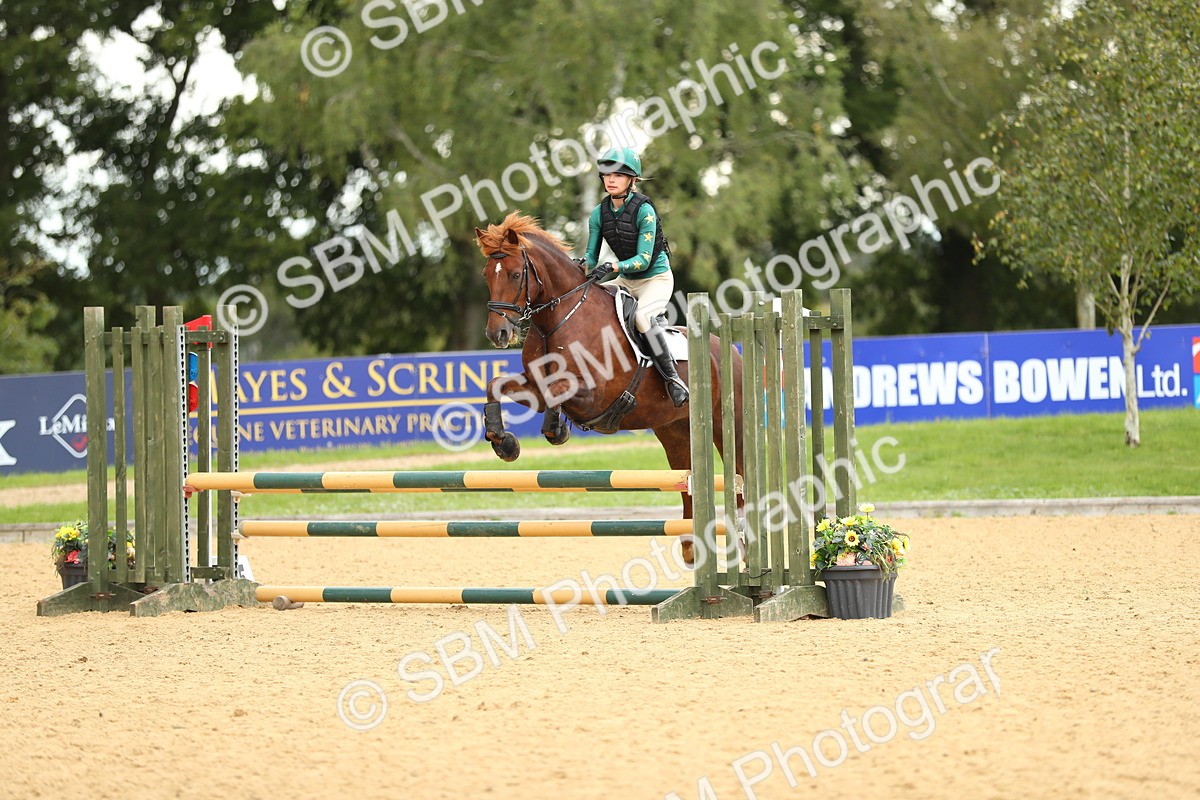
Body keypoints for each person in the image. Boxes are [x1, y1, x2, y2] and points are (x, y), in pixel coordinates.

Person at [583, 147, 689, 407]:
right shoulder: (598, 213)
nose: (611, 179)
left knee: (642, 317)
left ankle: (673, 379)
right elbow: (591, 257)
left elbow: (643, 259)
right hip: (625, 280)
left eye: (618, 175)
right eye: (607, 174)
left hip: (655, 279)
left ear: (632, 180)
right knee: (589, 303)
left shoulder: (645, 211)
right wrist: (576, 267)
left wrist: (612, 267)